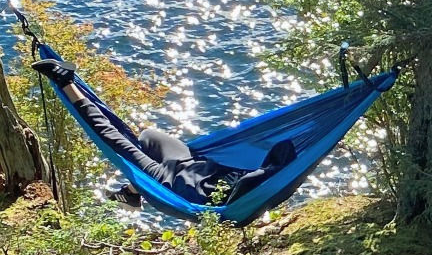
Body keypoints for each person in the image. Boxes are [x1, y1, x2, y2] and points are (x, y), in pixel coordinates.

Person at [32, 57, 295, 209]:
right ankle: (133, 191)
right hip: (192, 164)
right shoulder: (262, 177)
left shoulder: (245, 194)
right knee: (148, 136)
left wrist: (266, 173)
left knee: (113, 139)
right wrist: (270, 170)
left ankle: (65, 81)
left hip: (169, 181)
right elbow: (282, 152)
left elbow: (239, 196)